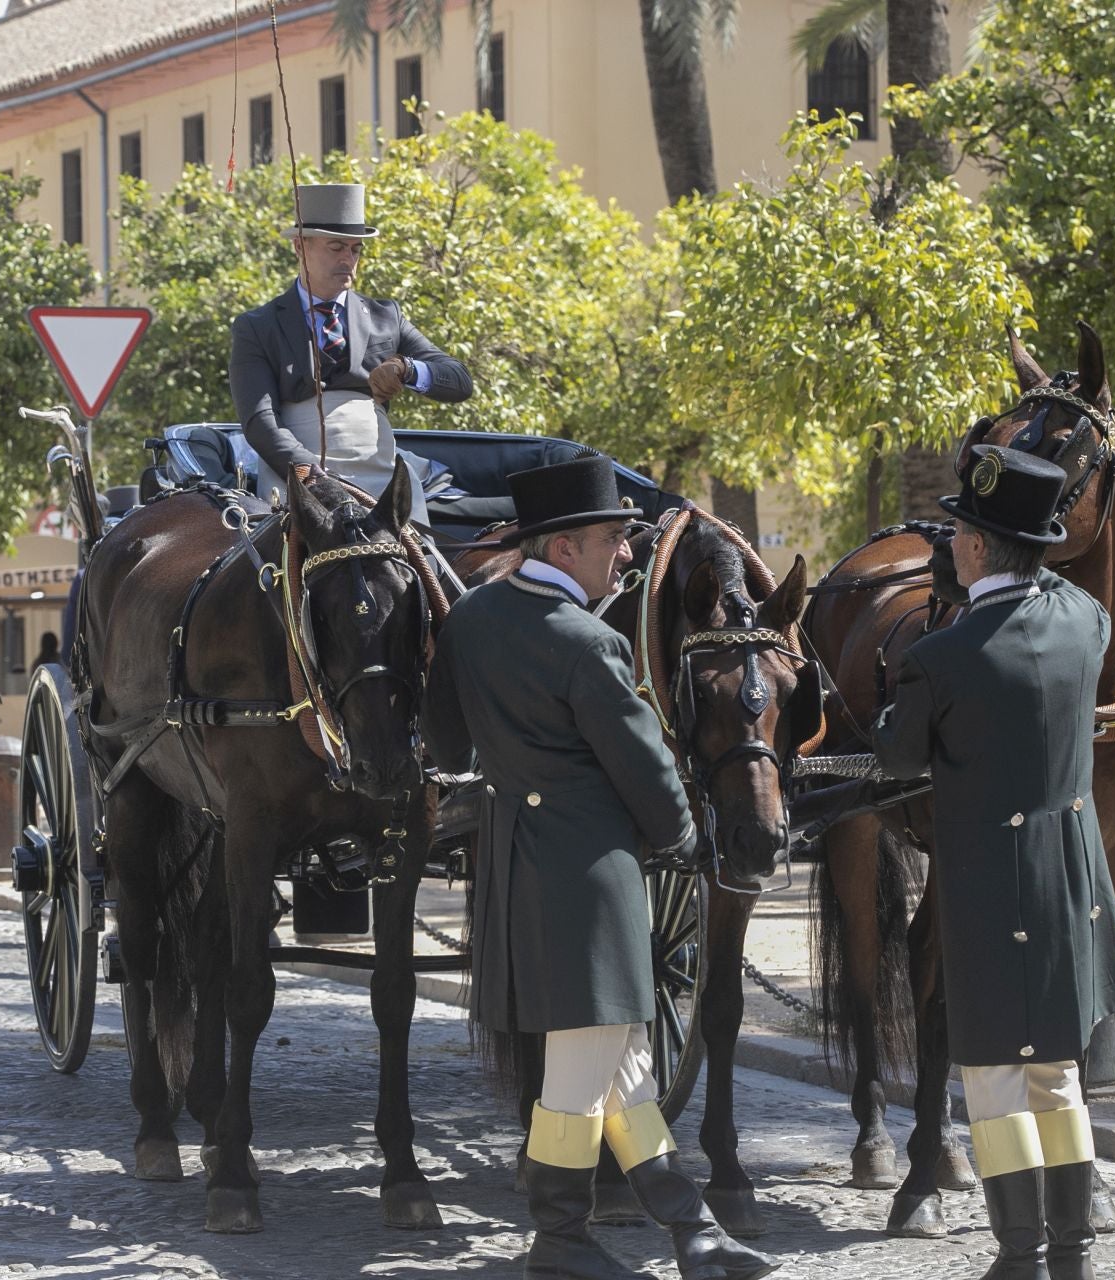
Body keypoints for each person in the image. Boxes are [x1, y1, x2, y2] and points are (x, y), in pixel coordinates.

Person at [424, 454, 777, 1280]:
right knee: (583, 1072)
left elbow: (444, 743)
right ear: (569, 546)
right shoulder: (589, 643)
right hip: (592, 874)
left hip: (516, 861)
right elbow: (647, 767)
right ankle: (558, 1240)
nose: (626, 555)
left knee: (628, 1068)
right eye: (615, 540)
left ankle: (692, 1230)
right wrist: (688, 842)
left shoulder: (471, 621)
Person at [874, 445, 1115, 1280]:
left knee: (991, 1078)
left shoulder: (940, 659)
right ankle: (1073, 1253)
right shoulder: (1085, 622)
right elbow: (1055, 598)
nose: (948, 541)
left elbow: (896, 758)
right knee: (1056, 1074)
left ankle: (1019, 1254)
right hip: (1072, 879)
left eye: (957, 530)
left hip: (991, 886)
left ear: (980, 548)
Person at [228, 183, 472, 527]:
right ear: (300, 246)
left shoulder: (386, 317)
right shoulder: (258, 326)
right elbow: (259, 420)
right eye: (336, 247)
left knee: (424, 569)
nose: (348, 259)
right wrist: (306, 471)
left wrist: (408, 368)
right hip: (300, 476)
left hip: (381, 476)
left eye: (356, 249)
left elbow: (458, 380)